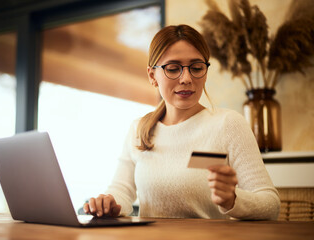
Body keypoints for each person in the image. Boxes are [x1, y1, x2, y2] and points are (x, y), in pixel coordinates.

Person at [83, 24, 280, 220]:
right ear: (152, 76)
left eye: (196, 68)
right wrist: (109, 203)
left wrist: (233, 200)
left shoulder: (228, 124)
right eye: (173, 69)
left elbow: (271, 204)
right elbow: (121, 192)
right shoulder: (138, 129)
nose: (186, 78)